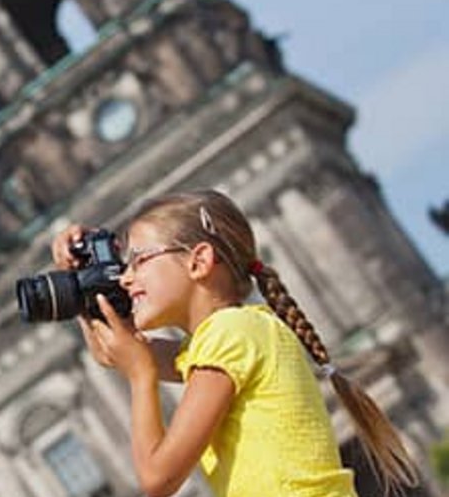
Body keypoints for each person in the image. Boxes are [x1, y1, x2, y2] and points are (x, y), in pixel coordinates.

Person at [51, 190, 417, 497]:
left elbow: (157, 477)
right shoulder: (233, 335)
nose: (126, 278)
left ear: (199, 262)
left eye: (139, 261)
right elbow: (113, 351)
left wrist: (142, 379)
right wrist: (83, 283)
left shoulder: (230, 335)